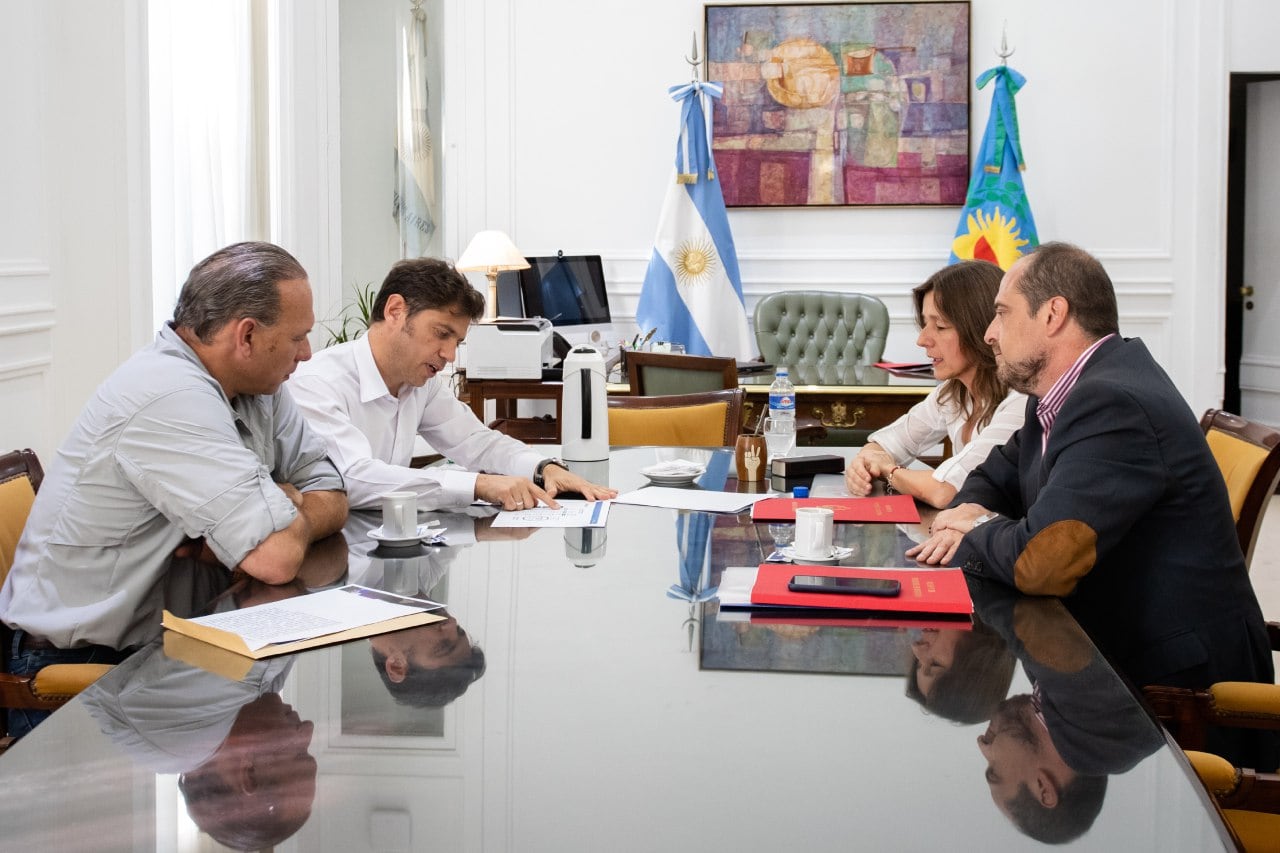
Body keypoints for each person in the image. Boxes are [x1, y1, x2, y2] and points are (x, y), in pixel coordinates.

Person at [908, 242, 1276, 768]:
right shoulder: (1058, 392)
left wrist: (972, 528)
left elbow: (1044, 563)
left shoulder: (1113, 401)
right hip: (1110, 648)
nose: (989, 333)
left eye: (1002, 313)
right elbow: (993, 477)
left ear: (1053, 315)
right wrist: (966, 516)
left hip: (1176, 691)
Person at [0, 241, 348, 737]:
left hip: (180, 642)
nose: (307, 354)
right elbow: (275, 558)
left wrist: (292, 508)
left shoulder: (256, 385)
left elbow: (331, 484)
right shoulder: (169, 395)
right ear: (246, 335)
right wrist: (282, 504)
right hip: (88, 669)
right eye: (298, 337)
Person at [288, 257, 616, 512]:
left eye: (457, 341)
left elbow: (476, 442)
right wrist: (476, 485)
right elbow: (353, 478)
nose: (448, 355)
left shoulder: (420, 383)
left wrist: (544, 467)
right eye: (442, 334)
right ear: (395, 311)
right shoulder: (316, 383)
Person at [845, 260, 1026, 508]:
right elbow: (887, 442)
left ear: (981, 329)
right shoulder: (954, 393)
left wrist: (888, 470)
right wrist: (865, 462)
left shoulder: (1021, 401)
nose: (922, 340)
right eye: (924, 324)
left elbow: (945, 491)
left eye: (939, 326)